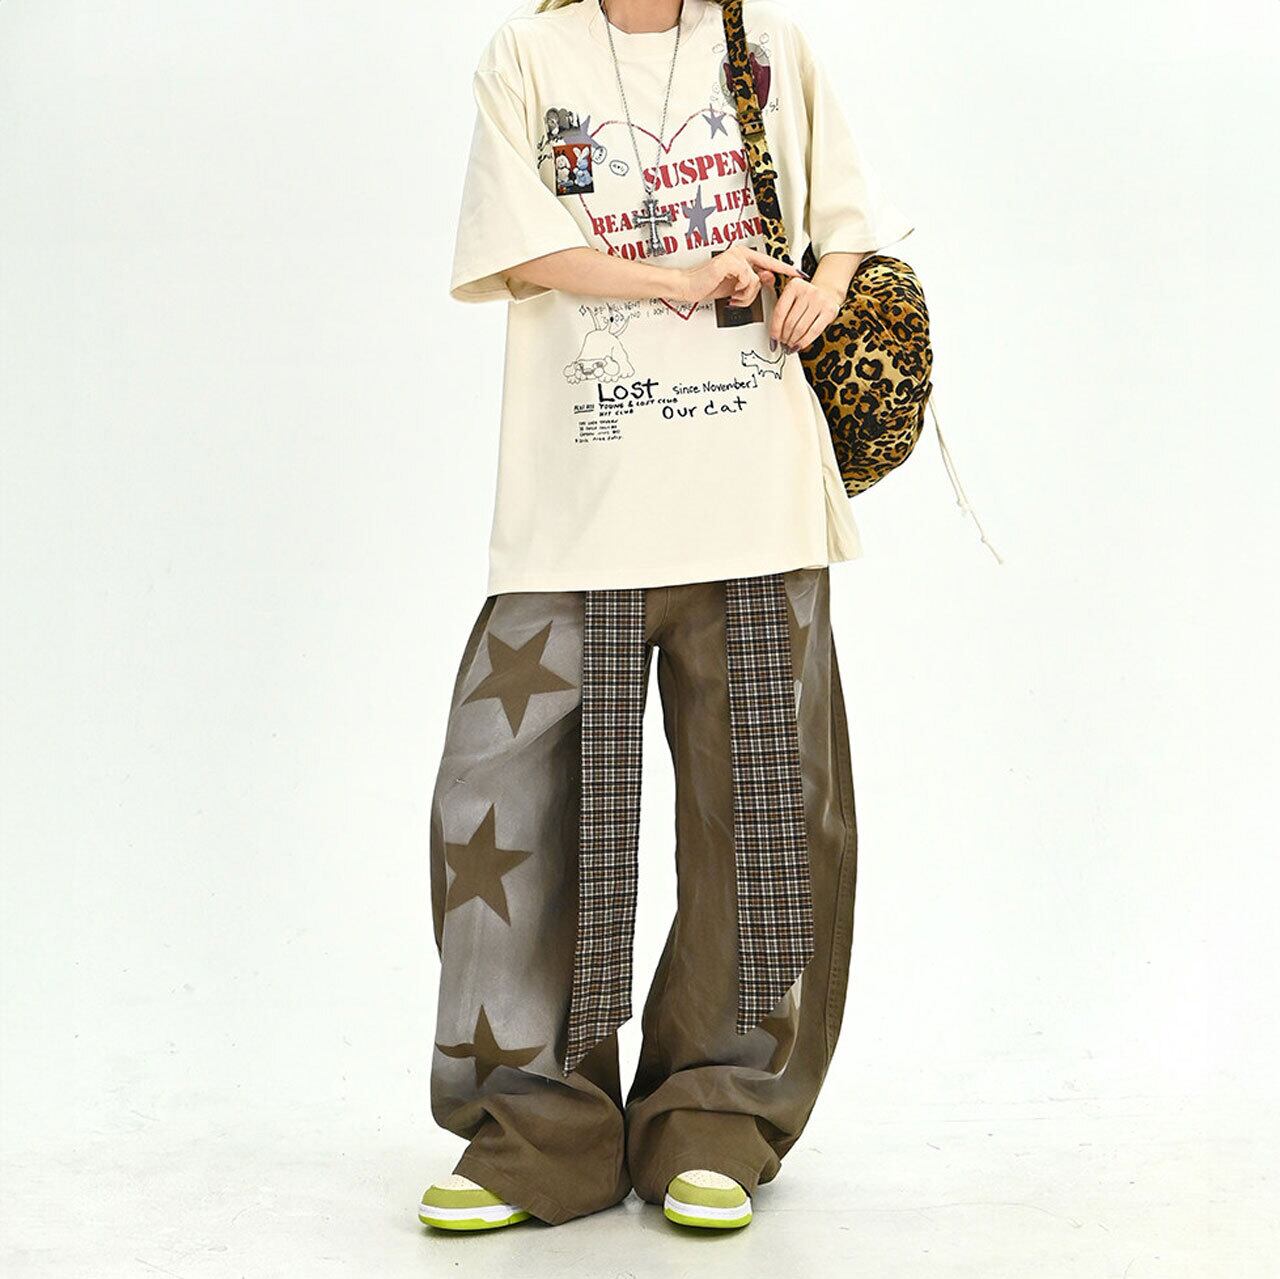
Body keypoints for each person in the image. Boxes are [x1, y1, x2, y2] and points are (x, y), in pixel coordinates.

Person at [418, 0, 913, 1233]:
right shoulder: (529, 56)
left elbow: (846, 225)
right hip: (577, 501)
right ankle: (536, 1128)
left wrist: (818, 292)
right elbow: (521, 247)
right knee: (502, 802)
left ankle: (718, 1112)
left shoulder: (769, 47)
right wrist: (677, 280)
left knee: (761, 815)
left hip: (752, 495)